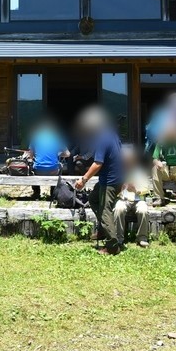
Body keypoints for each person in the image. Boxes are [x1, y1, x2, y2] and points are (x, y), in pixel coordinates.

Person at [74, 106, 125, 255]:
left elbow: (98, 163)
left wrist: (83, 180)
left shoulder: (102, 139)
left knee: (105, 212)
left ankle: (112, 246)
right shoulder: (112, 135)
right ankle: (103, 230)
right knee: (93, 199)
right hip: (116, 178)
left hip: (109, 181)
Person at [113, 145, 152, 248]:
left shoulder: (140, 172)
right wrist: (121, 188)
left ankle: (142, 238)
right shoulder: (118, 172)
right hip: (123, 199)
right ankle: (118, 238)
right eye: (125, 160)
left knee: (143, 210)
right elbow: (114, 190)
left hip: (138, 200)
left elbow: (146, 189)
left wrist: (135, 190)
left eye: (129, 159)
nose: (127, 162)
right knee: (119, 208)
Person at [27, 119, 70, 200]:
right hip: (53, 170)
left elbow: (30, 156)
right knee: (58, 166)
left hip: (38, 170)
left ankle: (36, 193)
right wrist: (59, 154)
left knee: (31, 167)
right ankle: (53, 193)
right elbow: (68, 154)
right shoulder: (57, 138)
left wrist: (35, 158)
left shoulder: (36, 137)